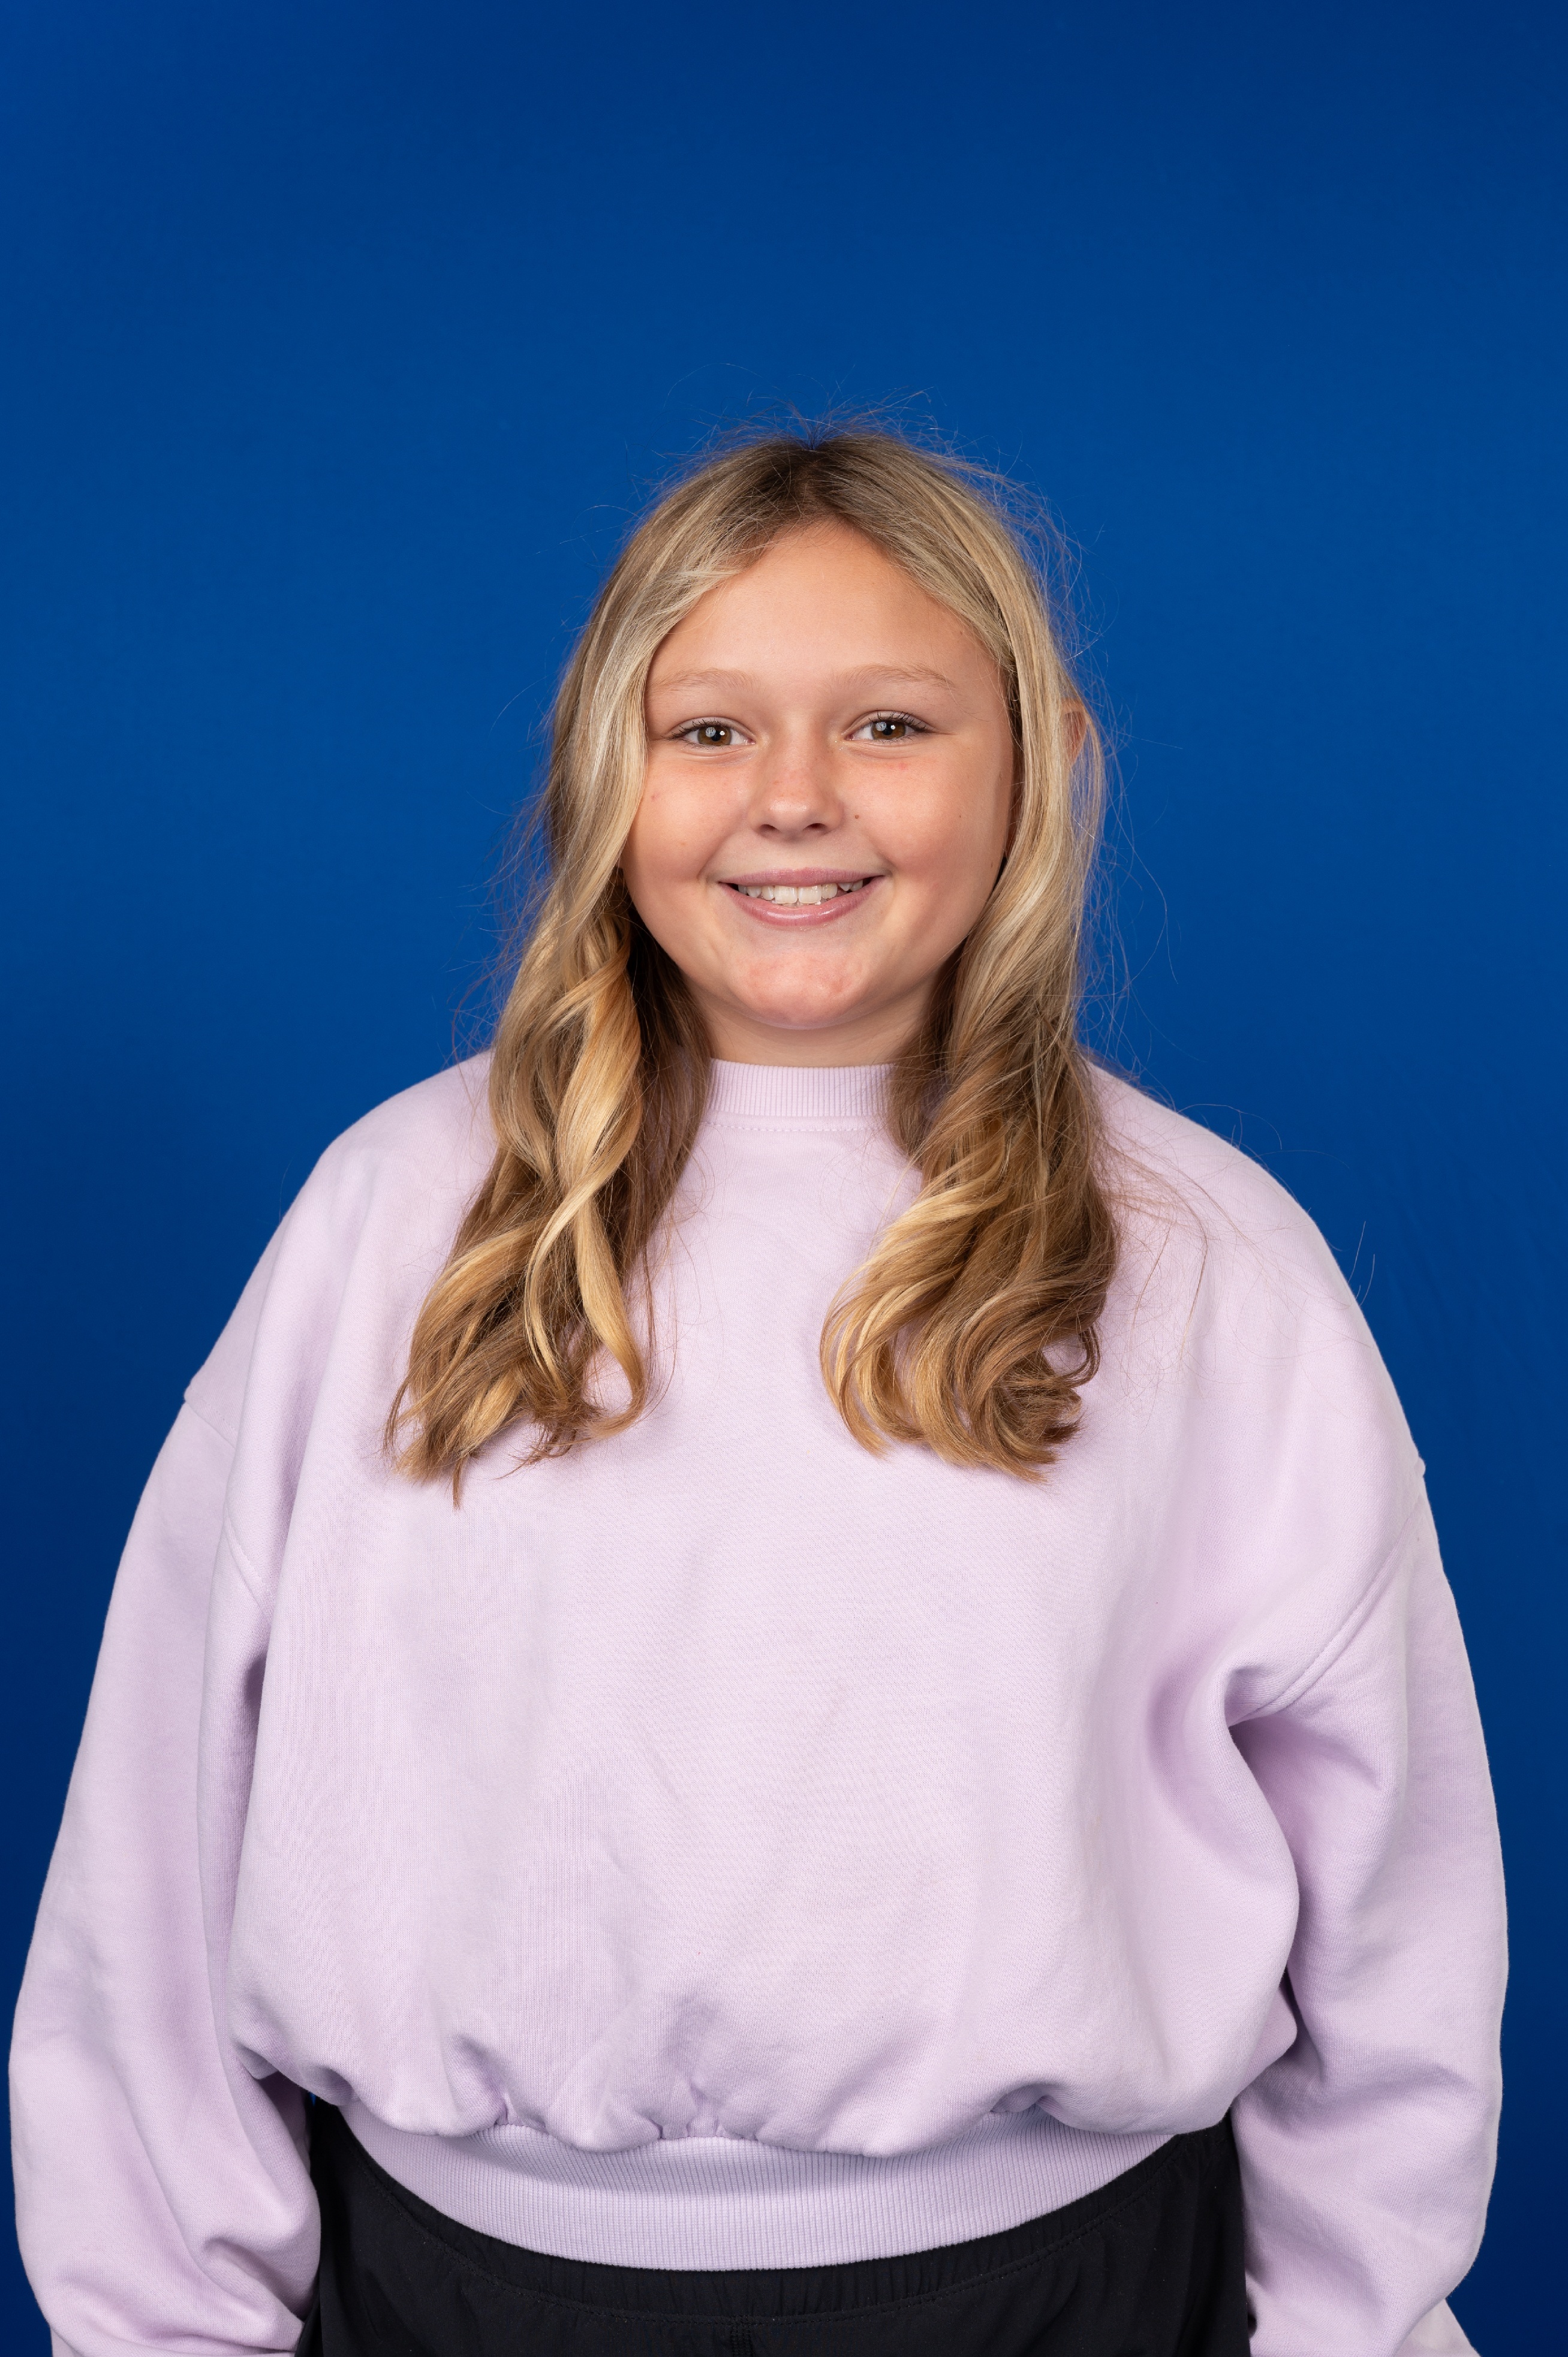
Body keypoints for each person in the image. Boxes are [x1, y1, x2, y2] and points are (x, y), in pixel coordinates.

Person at [10, 429, 1505, 2357]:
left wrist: (1354, 2329)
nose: (794, 796)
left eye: (889, 724)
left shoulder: (1208, 1261)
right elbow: (162, 1837)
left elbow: (1393, 1895)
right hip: (466, 2297)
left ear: (1042, 759)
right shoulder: (390, 1226)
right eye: (708, 729)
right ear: (601, 767)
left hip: (1059, 2295)